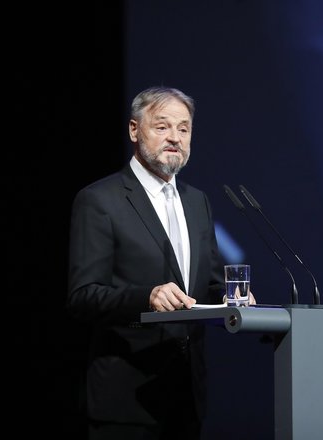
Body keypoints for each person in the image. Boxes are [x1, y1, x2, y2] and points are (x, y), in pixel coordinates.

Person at [66, 86, 253, 440]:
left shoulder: (198, 202)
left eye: (184, 129)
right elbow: (83, 296)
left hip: (186, 398)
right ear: (134, 130)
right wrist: (146, 297)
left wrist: (234, 301)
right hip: (126, 400)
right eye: (163, 126)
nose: (175, 138)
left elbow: (208, 286)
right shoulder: (99, 200)